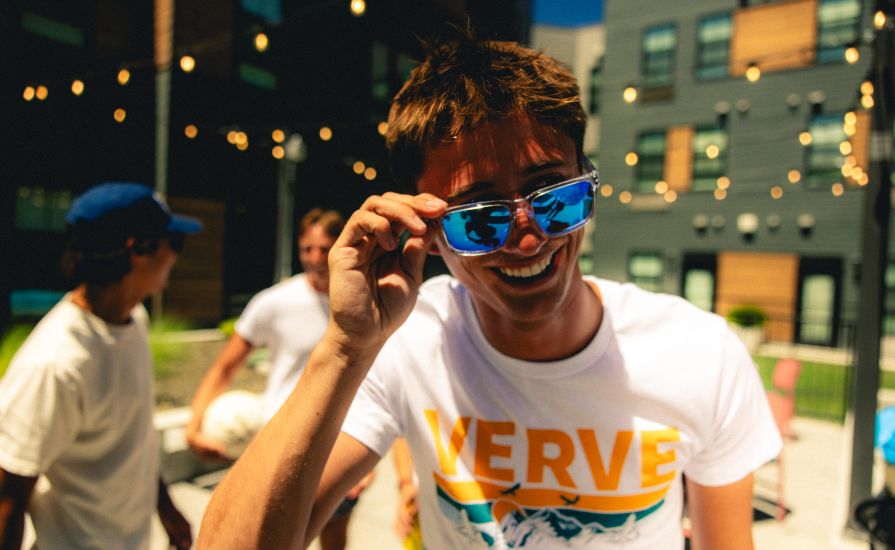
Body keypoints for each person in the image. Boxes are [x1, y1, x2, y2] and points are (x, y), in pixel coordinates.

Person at [198, 31, 782, 549]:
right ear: (424, 230)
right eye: (480, 219)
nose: (528, 241)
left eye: (556, 198)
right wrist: (347, 346)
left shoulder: (701, 353)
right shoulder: (409, 342)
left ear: (590, 185)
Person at [0, 182, 200, 549]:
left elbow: (132, 437)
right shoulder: (56, 364)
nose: (176, 255)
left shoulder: (133, 320)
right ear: (137, 249)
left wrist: (165, 508)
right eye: (175, 243)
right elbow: (7, 497)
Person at [185, 208, 371, 550]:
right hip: (279, 444)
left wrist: (366, 459)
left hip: (339, 447)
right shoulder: (274, 302)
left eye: (324, 248)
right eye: (306, 249)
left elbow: (377, 383)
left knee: (334, 541)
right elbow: (225, 367)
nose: (315, 258)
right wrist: (195, 426)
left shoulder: (365, 304)